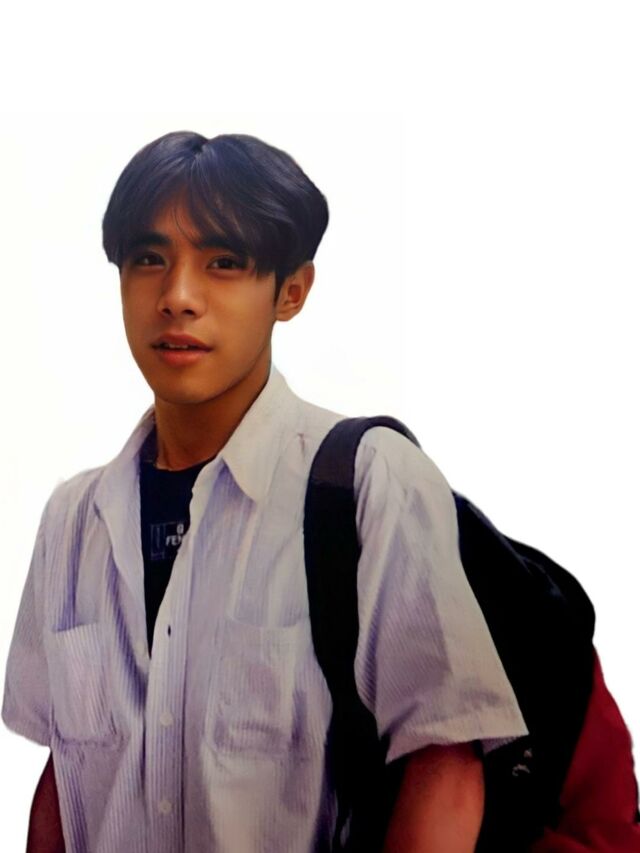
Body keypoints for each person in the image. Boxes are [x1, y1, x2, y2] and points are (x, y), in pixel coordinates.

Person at [2, 130, 528, 853]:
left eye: (223, 262)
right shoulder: (72, 521)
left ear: (291, 291)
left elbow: (443, 763)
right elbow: (63, 779)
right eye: (149, 259)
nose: (177, 297)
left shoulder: (369, 483)